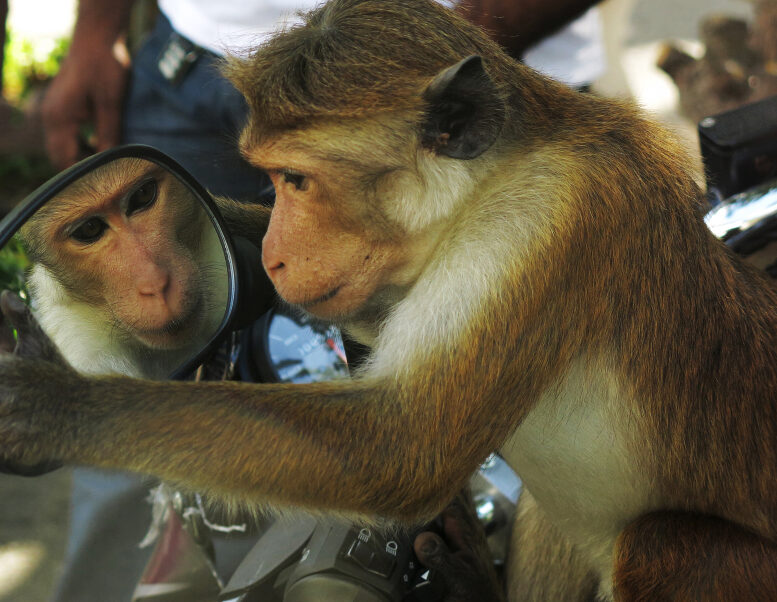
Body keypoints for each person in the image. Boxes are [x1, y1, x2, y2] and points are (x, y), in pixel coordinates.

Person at [40, 1, 606, 600]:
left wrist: (85, 414)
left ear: (451, 129)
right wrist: (95, 35)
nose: (275, 255)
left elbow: (398, 454)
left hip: (427, 84)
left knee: (508, 477)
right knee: (166, 335)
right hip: (211, 56)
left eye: (296, 185)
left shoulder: (527, 210)